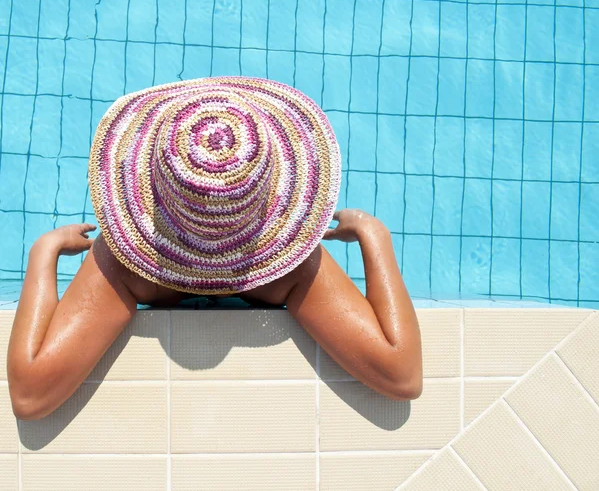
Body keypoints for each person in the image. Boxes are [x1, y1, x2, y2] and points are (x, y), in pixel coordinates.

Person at [7, 77, 422, 421]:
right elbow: (401, 376)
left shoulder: (124, 264)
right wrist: (373, 236)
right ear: (272, 179)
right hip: (271, 275)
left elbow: (30, 396)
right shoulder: (291, 268)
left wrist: (43, 255)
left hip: (146, 273)